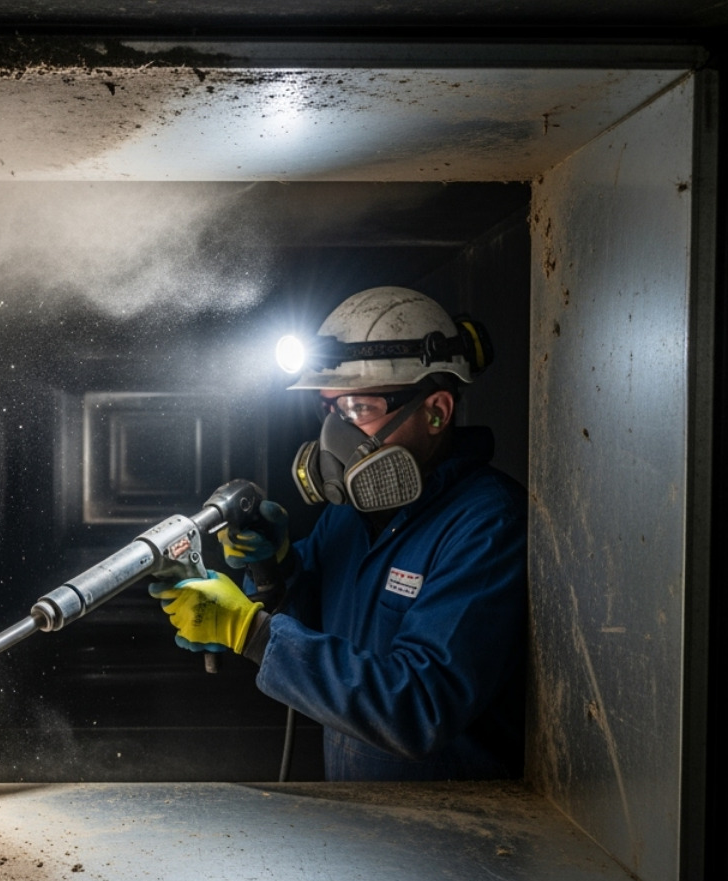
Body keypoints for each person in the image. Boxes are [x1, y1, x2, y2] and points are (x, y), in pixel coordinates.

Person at [149, 286, 527, 781]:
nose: (337, 438)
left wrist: (251, 632)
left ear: (436, 411)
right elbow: (316, 623)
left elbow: (420, 706)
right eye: (330, 411)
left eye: (358, 410)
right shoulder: (351, 514)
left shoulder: (486, 524)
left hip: (458, 830)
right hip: (360, 813)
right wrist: (278, 567)